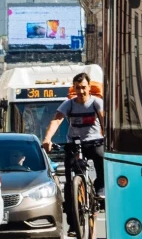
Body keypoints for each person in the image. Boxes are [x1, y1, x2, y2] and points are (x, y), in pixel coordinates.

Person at [41, 72, 105, 200]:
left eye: (83, 87)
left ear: (88, 87)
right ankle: (72, 195)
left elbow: (104, 121)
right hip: (75, 143)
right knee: (70, 166)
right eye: (77, 88)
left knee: (101, 158)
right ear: (74, 88)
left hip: (94, 141)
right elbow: (56, 121)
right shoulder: (69, 104)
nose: (81, 91)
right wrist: (47, 139)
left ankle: (100, 188)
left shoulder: (96, 102)